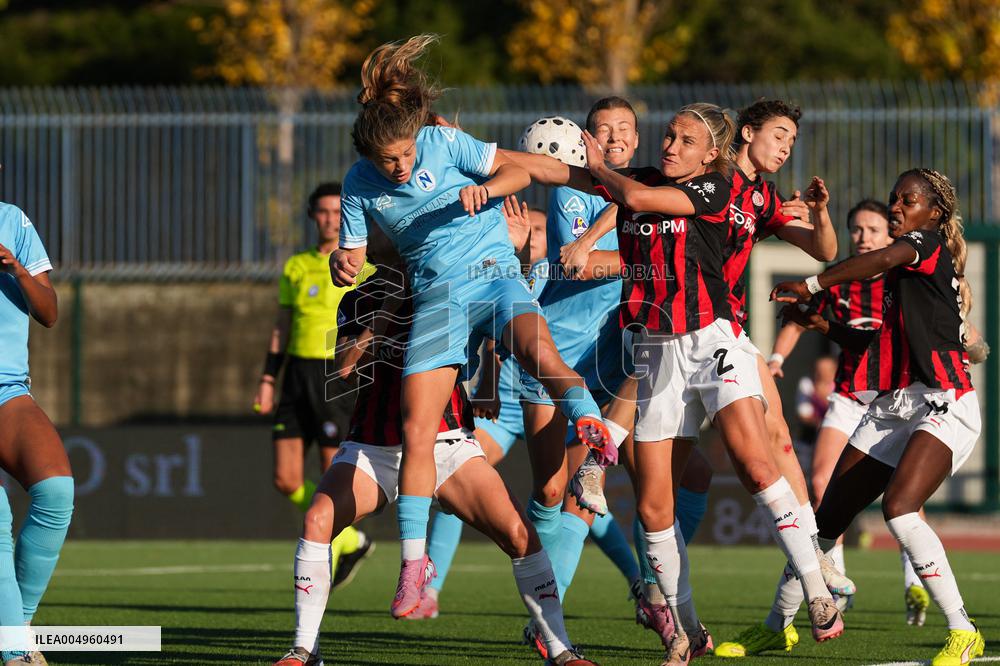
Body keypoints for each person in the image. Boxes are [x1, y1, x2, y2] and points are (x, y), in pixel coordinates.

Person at [509, 102, 844, 664]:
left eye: (685, 140)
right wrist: (478, 163)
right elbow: (565, 176)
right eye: (668, 136)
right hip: (657, 350)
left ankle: (816, 585)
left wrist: (819, 212)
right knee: (653, 508)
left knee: (759, 455)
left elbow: (634, 199)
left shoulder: (717, 189)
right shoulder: (650, 180)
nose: (670, 146)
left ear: (711, 152)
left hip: (714, 337)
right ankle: (685, 631)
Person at [330, 35, 611, 619]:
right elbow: (351, 253)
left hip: (495, 278)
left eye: (407, 156)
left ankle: (590, 425)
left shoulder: (439, 140)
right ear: (369, 155)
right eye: (391, 162)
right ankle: (413, 571)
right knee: (417, 427)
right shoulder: (358, 184)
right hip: (439, 298)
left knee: (543, 357)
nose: (402, 168)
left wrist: (489, 188)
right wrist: (344, 261)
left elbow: (515, 172)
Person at [273, 246, 597, 666]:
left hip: (448, 446)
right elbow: (345, 368)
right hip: (375, 448)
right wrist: (388, 308)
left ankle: (561, 650)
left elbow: (494, 329)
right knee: (317, 520)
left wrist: (487, 387)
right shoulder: (361, 295)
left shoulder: (452, 284)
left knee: (520, 536)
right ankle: (303, 649)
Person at [771, 168, 985, 666]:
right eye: (894, 198)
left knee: (900, 507)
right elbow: (875, 343)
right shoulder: (904, 276)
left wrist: (811, 282)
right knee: (825, 523)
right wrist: (822, 320)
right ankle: (775, 627)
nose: (896, 206)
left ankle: (962, 630)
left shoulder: (924, 245)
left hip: (944, 400)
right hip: (898, 403)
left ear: (933, 213)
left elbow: (880, 257)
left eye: (907, 200)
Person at [252, 182, 374, 589]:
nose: (330, 219)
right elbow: (281, 325)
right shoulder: (297, 265)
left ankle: (329, 550)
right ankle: (353, 539)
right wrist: (269, 378)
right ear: (311, 216)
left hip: (333, 375)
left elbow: (374, 320)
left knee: (330, 475)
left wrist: (355, 358)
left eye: (338, 212)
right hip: (295, 376)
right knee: (285, 478)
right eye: (322, 212)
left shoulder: (361, 264)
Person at [0, 202, 74, 666]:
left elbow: (48, 313)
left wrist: (15, 268)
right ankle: (14, 652)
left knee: (57, 492)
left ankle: (16, 625)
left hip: (7, 391)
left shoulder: (12, 220)